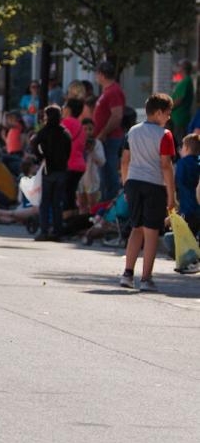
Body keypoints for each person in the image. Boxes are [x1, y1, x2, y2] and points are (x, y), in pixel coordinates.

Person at [119, 94, 178, 292]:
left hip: (134, 182)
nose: (168, 118)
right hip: (154, 185)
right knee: (151, 232)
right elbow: (166, 166)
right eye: (168, 113)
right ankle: (146, 278)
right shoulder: (165, 135)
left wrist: (126, 185)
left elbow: (125, 161)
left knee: (136, 228)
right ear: (159, 112)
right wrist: (171, 196)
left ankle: (128, 273)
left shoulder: (133, 131)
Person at [29, 105, 72, 241]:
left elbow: (33, 143)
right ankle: (57, 232)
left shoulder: (44, 131)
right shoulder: (65, 132)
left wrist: (40, 157)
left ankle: (44, 230)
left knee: (45, 202)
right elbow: (68, 150)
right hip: (61, 170)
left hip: (48, 169)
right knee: (57, 202)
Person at [93, 62, 128, 202]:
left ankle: (110, 204)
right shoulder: (107, 90)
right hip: (104, 138)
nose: (96, 76)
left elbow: (117, 115)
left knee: (108, 173)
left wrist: (104, 133)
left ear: (102, 74)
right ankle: (105, 203)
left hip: (110, 138)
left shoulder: (113, 91)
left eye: (97, 74)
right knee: (104, 172)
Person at [63, 98, 87, 204]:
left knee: (66, 197)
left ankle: (67, 219)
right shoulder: (80, 125)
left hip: (69, 164)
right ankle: (72, 219)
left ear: (69, 109)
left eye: (64, 106)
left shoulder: (67, 122)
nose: (63, 109)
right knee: (71, 195)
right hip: (79, 164)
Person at [176, 133, 200, 236]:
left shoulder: (182, 163)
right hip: (198, 209)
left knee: (186, 239)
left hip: (187, 209)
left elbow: (179, 181)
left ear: (186, 148)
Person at [172, 61, 195, 142]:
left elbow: (179, 99)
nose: (178, 69)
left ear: (183, 69)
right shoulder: (184, 81)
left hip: (180, 119)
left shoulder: (186, 81)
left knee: (179, 143)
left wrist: (168, 108)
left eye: (179, 67)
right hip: (177, 118)